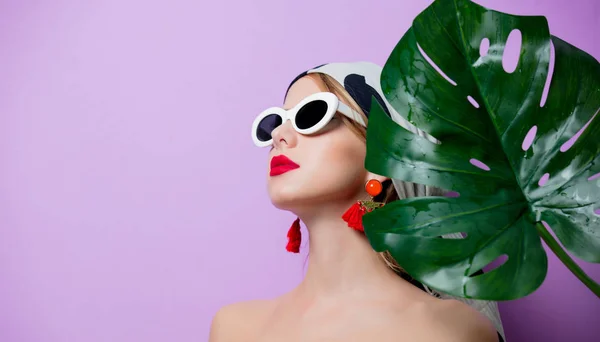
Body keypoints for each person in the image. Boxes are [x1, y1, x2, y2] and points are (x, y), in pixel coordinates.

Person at [209, 62, 505, 342]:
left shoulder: (450, 331)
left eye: (311, 115)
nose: (278, 135)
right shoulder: (234, 328)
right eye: (275, 121)